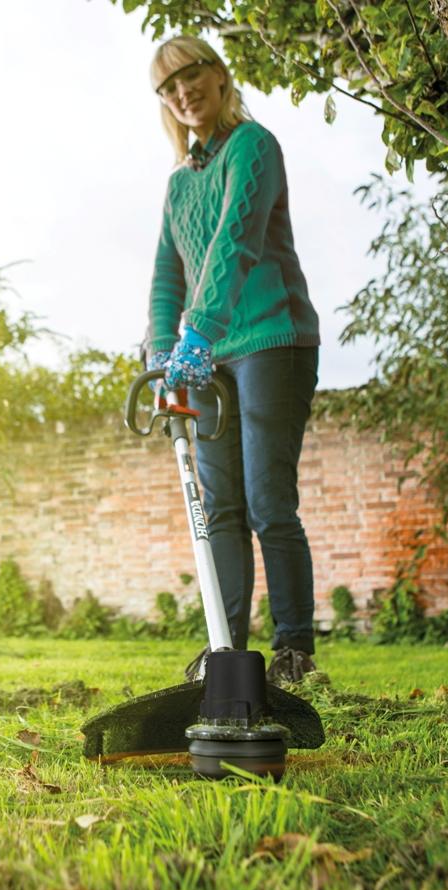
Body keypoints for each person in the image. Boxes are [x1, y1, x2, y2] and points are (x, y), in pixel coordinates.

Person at [144, 36, 321, 685]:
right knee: (218, 509)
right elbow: (168, 275)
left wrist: (199, 331)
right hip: (206, 358)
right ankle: (227, 650)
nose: (183, 92)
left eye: (191, 75)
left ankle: (294, 651)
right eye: (168, 87)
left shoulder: (254, 147)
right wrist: (162, 350)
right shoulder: (178, 185)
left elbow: (234, 242)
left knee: (268, 501)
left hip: (273, 340)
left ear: (218, 76)